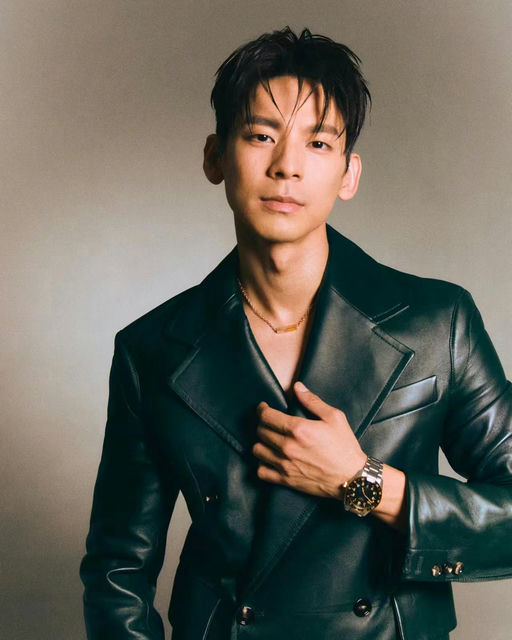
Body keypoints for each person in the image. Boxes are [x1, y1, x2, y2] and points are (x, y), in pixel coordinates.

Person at [79, 27, 512, 640]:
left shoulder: (438, 322)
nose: (287, 166)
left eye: (318, 142)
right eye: (261, 136)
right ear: (215, 157)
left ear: (348, 174)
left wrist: (364, 483)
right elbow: (117, 569)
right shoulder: (152, 350)